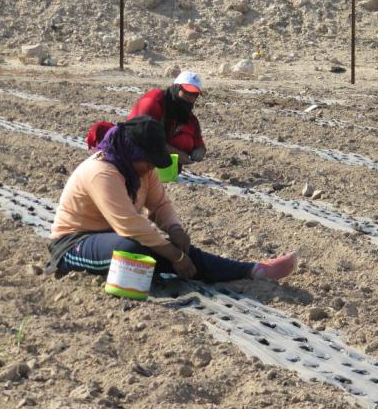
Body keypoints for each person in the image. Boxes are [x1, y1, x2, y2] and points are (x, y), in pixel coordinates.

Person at [46, 116, 296, 283]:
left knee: (164, 247)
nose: (150, 168)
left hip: (114, 235)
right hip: (73, 244)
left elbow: (160, 204)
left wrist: (175, 230)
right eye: (148, 161)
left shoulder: (142, 170)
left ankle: (252, 270)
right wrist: (175, 257)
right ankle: (161, 270)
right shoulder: (101, 172)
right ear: (132, 152)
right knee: (134, 249)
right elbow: (129, 225)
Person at [127, 71, 207, 166]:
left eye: (194, 94)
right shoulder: (155, 101)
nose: (190, 97)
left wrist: (200, 149)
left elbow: (197, 139)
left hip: (164, 165)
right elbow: (141, 136)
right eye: (186, 92)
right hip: (135, 158)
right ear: (176, 88)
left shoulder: (187, 115)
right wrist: (176, 153)